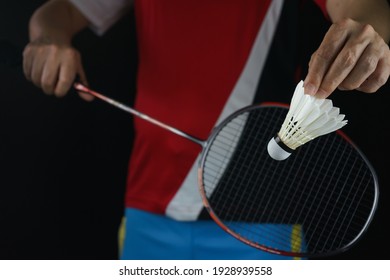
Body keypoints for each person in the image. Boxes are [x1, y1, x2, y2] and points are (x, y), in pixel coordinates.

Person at [23, 0, 390, 260]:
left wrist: (367, 34)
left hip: (260, 227)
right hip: (146, 214)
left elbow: (361, 8)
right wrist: (47, 37)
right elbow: (62, 11)